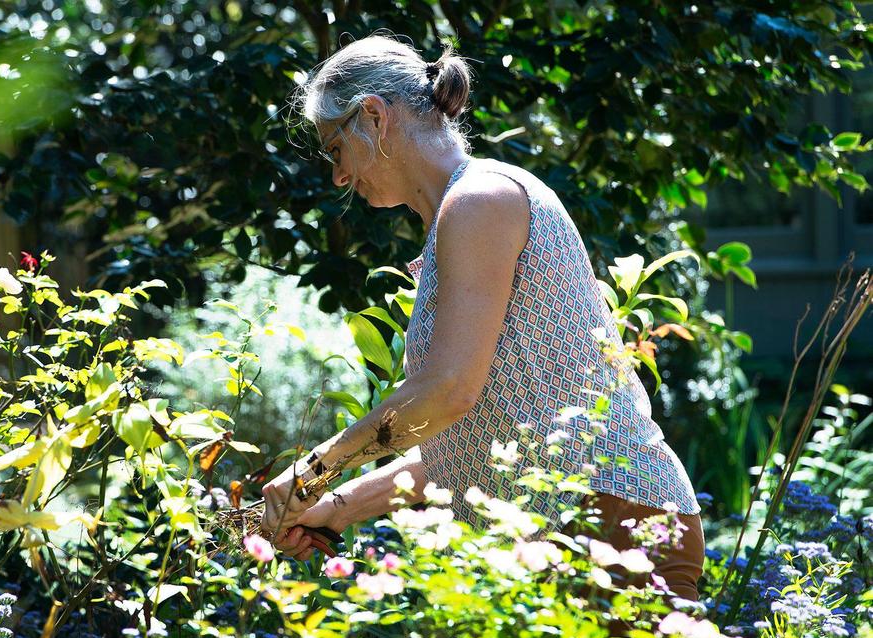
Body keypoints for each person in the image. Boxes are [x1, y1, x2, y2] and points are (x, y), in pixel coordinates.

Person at [260, 33, 705, 602]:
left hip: (612, 524)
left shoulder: (480, 201)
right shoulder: (460, 215)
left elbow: (447, 392)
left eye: (333, 150)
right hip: (557, 532)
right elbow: (471, 440)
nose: (338, 178)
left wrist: (315, 469)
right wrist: (333, 509)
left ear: (373, 117)